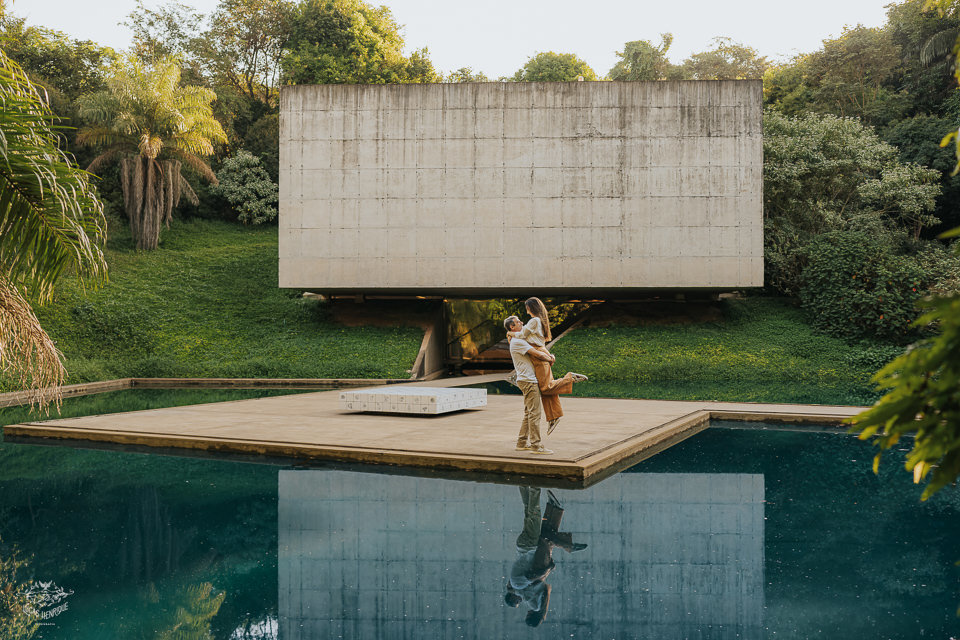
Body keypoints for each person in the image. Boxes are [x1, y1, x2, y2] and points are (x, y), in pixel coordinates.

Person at [504, 488, 587, 627]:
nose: (520, 602)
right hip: (533, 558)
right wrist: (547, 569)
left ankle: (567, 542)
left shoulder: (531, 600)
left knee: (544, 535)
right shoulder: (533, 603)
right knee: (542, 530)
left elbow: (534, 581)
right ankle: (552, 505)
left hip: (532, 555)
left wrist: (549, 569)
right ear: (531, 615)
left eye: (517, 602)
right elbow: (532, 580)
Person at [507, 298, 588, 435]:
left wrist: (510, 333)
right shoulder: (537, 321)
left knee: (546, 387)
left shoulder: (534, 321)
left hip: (537, 353)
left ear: (531, 307)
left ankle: (570, 378)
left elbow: (522, 335)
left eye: (527, 307)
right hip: (540, 350)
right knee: (546, 388)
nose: (526, 310)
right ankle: (553, 417)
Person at [505, 314, 557, 454]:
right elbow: (537, 354)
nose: (522, 322)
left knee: (529, 413)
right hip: (528, 381)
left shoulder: (517, 340)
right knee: (535, 414)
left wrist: (548, 356)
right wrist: (550, 358)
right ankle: (536, 445)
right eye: (518, 322)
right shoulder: (518, 341)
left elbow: (538, 347)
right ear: (512, 326)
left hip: (526, 380)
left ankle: (522, 442)